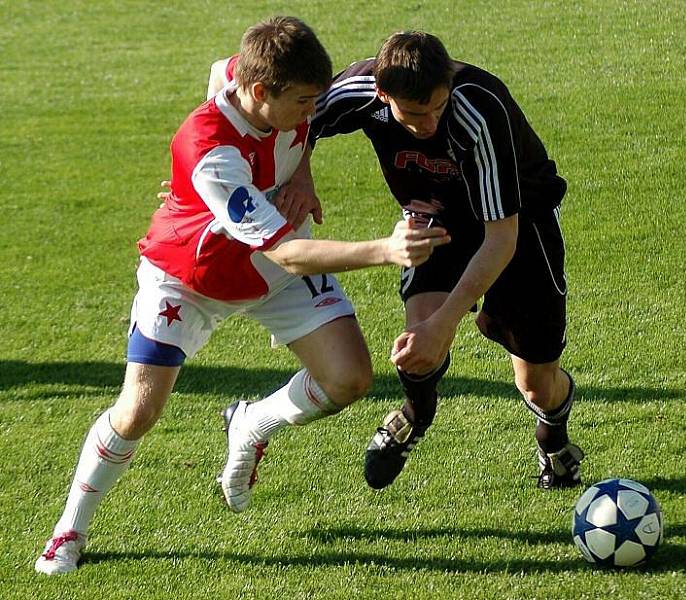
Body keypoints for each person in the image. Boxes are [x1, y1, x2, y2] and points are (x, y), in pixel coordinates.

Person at [34, 18, 449, 576]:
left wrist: (302, 171)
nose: (313, 114)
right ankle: (69, 529)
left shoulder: (243, 77)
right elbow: (288, 254)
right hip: (190, 279)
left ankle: (251, 424)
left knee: (350, 377)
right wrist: (385, 249)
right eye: (304, 103)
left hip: (268, 269)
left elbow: (275, 116)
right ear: (260, 93)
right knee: (138, 411)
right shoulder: (212, 155)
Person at [285, 31, 585, 491]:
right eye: (415, 113)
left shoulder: (478, 111)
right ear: (384, 95)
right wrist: (301, 174)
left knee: (536, 383)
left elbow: (500, 237)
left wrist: (446, 323)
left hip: (520, 220)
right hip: (435, 217)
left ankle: (554, 442)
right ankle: (414, 415)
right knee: (417, 345)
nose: (429, 124)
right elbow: (300, 119)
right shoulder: (359, 89)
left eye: (438, 108)